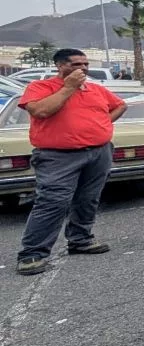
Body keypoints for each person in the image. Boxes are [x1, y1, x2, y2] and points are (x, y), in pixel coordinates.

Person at [15, 49, 127, 276]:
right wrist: (69, 88)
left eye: (85, 64)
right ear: (59, 66)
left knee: (88, 199)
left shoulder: (95, 89)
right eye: (76, 64)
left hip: (98, 152)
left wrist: (102, 124)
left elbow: (119, 105)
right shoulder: (40, 88)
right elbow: (41, 111)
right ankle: (33, 253)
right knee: (52, 202)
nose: (83, 68)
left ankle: (80, 240)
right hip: (58, 156)